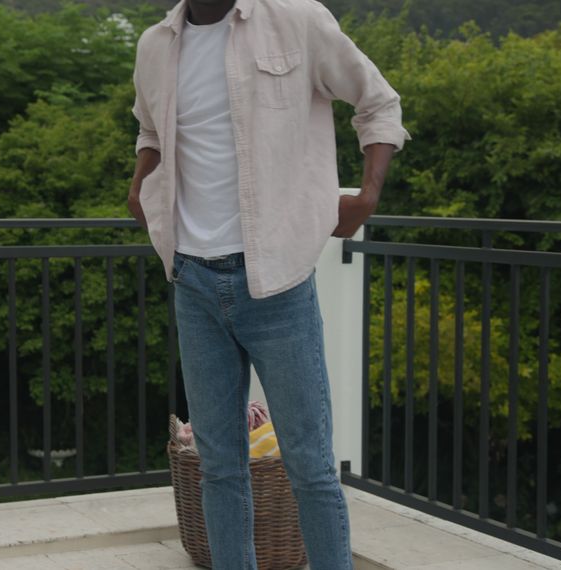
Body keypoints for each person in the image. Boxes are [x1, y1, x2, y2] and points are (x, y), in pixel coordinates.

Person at [126, 0, 409, 567]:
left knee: (310, 466)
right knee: (219, 467)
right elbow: (150, 128)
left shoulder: (297, 20)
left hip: (277, 284)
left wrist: (369, 194)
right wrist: (139, 185)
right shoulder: (156, 45)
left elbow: (378, 101)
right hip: (191, 280)